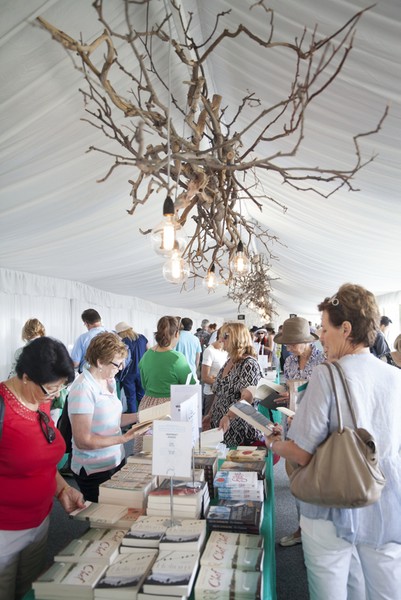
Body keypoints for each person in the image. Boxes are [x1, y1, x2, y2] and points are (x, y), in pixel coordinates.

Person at [266, 283, 401, 600]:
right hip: (384, 497)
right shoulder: (395, 377)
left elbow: (301, 452)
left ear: (346, 328)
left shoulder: (328, 374)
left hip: (332, 500)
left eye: (324, 329)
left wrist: (274, 443)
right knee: (385, 589)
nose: (321, 336)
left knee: (334, 586)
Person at [0, 337, 85, 599]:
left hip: (39, 520)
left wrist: (61, 489)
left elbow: (42, 458)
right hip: (4, 530)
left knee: (29, 589)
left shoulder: (41, 400)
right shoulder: (3, 409)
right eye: (51, 388)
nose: (56, 395)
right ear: (25, 377)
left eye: (61, 388)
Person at [68, 332, 143, 502]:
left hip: (113, 459)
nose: (121, 368)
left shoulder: (107, 380)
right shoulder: (83, 388)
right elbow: (83, 440)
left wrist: (140, 416)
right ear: (100, 362)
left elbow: (112, 420)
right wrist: (124, 439)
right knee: (103, 517)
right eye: (117, 364)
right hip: (94, 468)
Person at [272, 317, 325, 547]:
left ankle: (317, 534)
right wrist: (285, 395)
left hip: (315, 429)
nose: (289, 347)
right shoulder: (290, 362)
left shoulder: (323, 361)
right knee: (295, 480)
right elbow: (290, 389)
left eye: (293, 343)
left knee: (315, 483)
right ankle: (301, 529)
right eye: (286, 343)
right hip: (292, 425)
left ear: (306, 340)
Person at [137, 316, 195, 451]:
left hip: (147, 405)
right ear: (176, 334)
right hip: (170, 408)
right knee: (169, 451)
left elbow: (144, 384)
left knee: (147, 450)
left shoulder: (147, 354)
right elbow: (190, 385)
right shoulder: (177, 358)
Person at [203, 322, 263, 447]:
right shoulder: (229, 361)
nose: (220, 340)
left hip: (238, 427)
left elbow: (247, 398)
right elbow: (220, 393)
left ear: (236, 338)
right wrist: (210, 414)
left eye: (225, 336)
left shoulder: (248, 364)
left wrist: (228, 416)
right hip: (221, 426)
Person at [114, 321, 149, 413]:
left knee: (131, 398)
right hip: (142, 372)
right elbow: (149, 352)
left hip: (128, 374)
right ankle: (144, 421)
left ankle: (133, 424)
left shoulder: (123, 342)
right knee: (142, 397)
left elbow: (121, 359)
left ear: (121, 332)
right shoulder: (143, 338)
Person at [201, 328, 228, 416]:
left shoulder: (225, 351)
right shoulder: (209, 351)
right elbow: (204, 378)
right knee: (208, 422)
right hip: (211, 393)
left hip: (222, 392)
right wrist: (223, 383)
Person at [175, 317, 202, 382]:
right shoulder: (196, 339)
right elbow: (197, 357)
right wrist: (194, 369)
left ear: (181, 325)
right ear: (191, 327)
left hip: (178, 372)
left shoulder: (176, 337)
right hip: (191, 371)